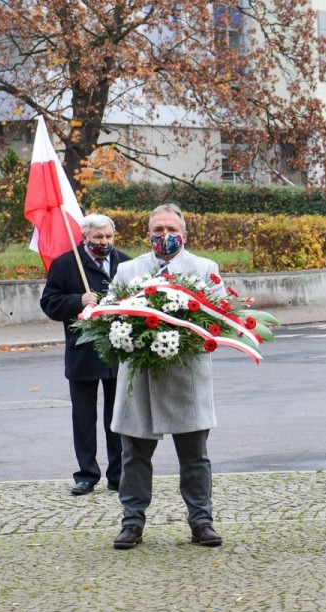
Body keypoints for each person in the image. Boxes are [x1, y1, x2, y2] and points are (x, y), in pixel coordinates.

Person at [110, 204, 224, 550]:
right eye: (158, 230)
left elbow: (219, 317)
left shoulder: (204, 269)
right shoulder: (129, 270)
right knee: (134, 458)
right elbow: (110, 316)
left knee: (194, 457)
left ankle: (201, 521)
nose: (165, 236)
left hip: (186, 377)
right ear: (148, 236)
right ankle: (132, 522)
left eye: (172, 229)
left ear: (184, 235)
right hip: (139, 380)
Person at [39, 214, 130, 496]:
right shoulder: (66, 264)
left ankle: (118, 474)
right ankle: (87, 475)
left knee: (118, 418)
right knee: (83, 417)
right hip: (82, 351)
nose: (104, 243)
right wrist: (76, 301)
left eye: (109, 237)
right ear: (85, 237)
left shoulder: (125, 262)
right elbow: (49, 302)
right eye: (98, 238)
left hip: (119, 350)